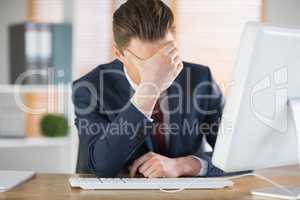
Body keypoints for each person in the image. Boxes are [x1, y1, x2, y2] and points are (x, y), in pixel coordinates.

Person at [72, 0, 225, 178]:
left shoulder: (200, 79)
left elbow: (237, 156)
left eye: (168, 54)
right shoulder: (90, 89)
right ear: (119, 54)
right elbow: (98, 167)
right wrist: (149, 91)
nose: (162, 68)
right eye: (149, 63)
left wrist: (184, 165)